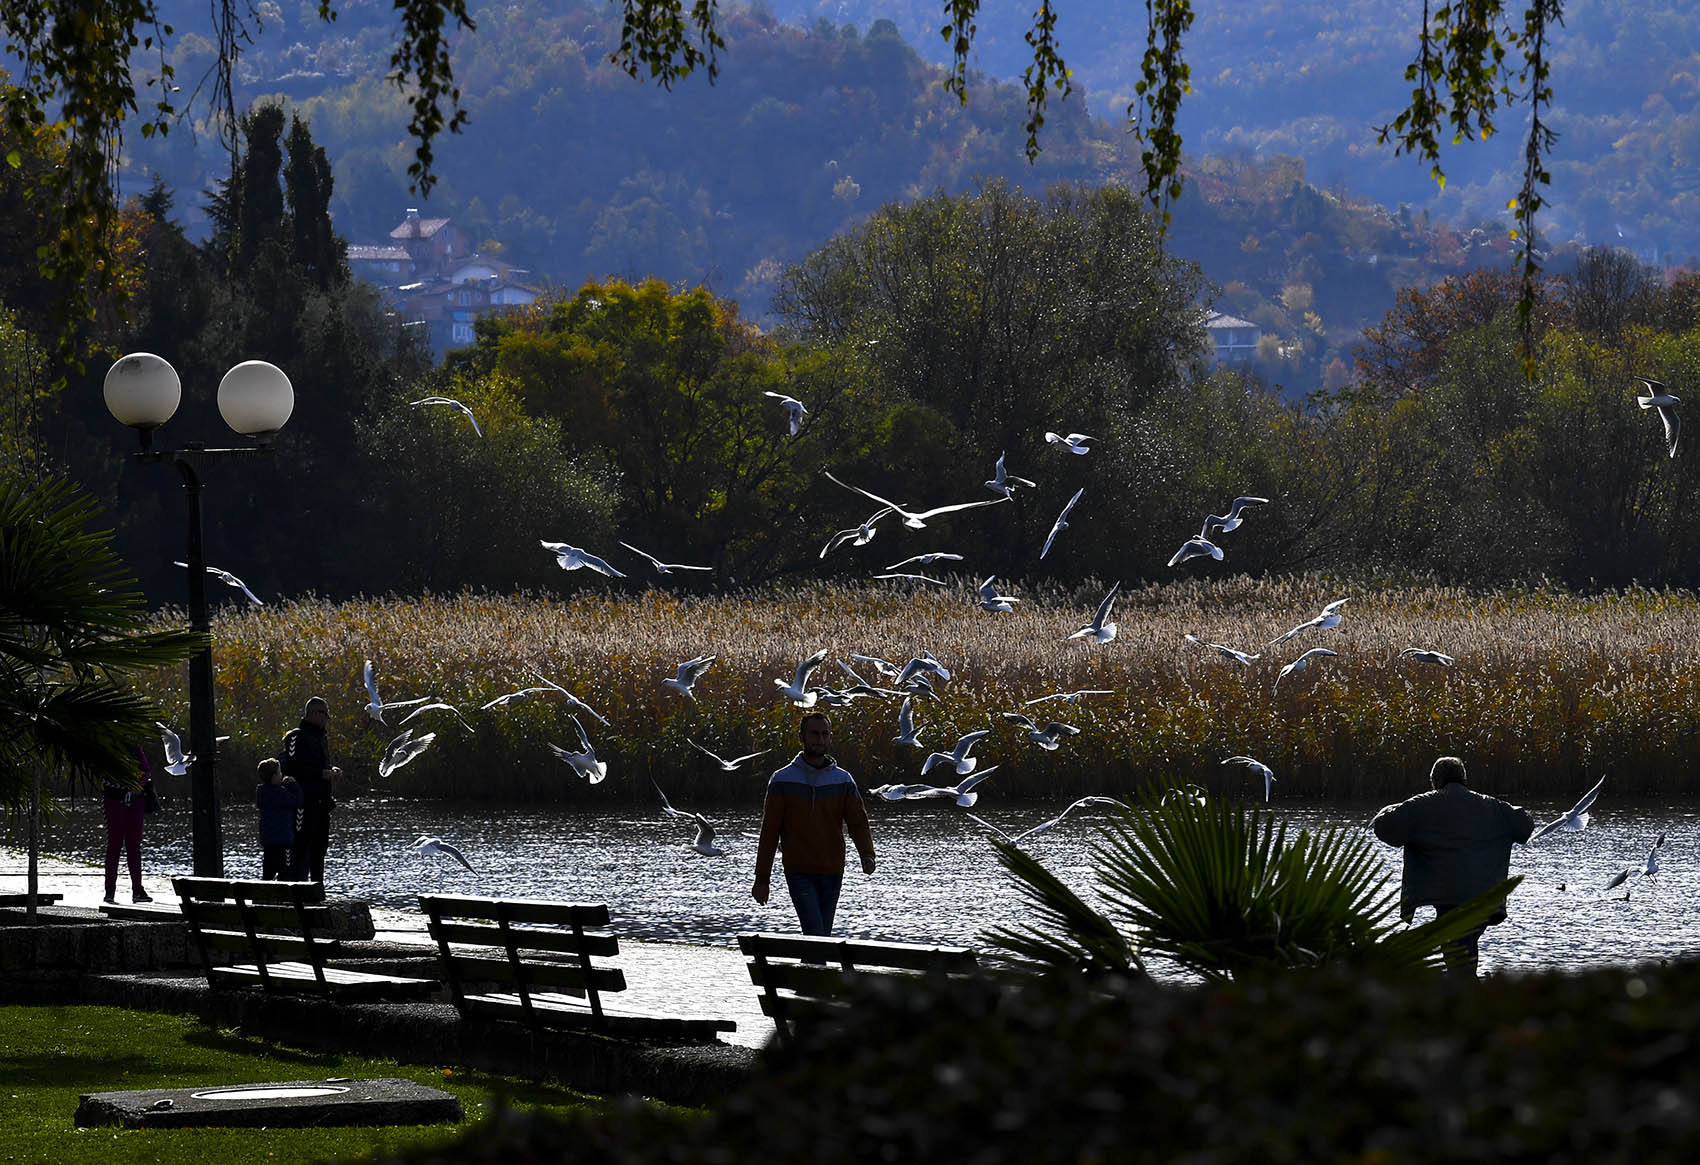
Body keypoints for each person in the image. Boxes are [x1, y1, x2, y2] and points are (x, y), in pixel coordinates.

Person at [1371, 755, 1534, 975]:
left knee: (1458, 961)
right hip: (1484, 898)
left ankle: (1463, 1000)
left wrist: (1386, 810)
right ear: (1463, 779)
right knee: (1463, 955)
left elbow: (1385, 829)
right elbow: (1525, 826)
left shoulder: (1422, 804)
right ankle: (1471, 999)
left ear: (1436, 781)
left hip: (1448, 898)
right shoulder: (1493, 806)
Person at [751, 712, 877, 936]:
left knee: (821, 937)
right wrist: (762, 879)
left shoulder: (843, 780)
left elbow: (858, 823)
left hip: (833, 870)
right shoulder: (782, 780)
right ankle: (817, 970)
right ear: (801, 737)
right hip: (799, 871)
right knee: (815, 933)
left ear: (830, 738)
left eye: (824, 734)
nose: (819, 739)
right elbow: (769, 832)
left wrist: (867, 854)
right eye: (814, 734)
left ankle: (811, 971)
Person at [280, 695, 343, 883]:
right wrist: (320, 774)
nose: (328, 718)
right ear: (314, 714)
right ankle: (298, 895)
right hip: (303, 806)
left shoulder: (321, 738)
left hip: (322, 806)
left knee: (319, 853)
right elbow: (291, 768)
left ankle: (317, 893)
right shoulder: (296, 737)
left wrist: (331, 772)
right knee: (301, 851)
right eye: (325, 714)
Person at [101, 745, 154, 904]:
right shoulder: (107, 748)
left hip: (134, 800)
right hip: (115, 799)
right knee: (116, 846)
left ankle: (136, 890)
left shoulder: (135, 748)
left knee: (132, 847)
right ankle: (110, 891)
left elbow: (146, 772)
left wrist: (134, 789)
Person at [254, 757, 302, 880]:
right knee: (285, 873)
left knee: (268, 872)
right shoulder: (280, 793)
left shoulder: (261, 792)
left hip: (268, 841)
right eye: (280, 772)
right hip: (283, 841)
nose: (282, 775)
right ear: (274, 776)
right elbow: (298, 801)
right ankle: (284, 898)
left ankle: (263, 897)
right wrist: (294, 785)